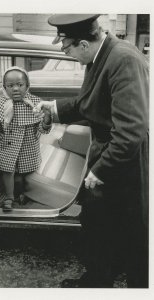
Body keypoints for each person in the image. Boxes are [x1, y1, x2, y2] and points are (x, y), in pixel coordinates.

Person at [34, 14, 149, 288]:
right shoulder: (102, 55)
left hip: (122, 160)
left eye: (69, 49)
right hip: (110, 151)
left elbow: (131, 130)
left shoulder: (123, 60)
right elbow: (91, 103)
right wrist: (54, 108)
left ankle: (127, 284)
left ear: (83, 44)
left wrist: (101, 170)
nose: (70, 55)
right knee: (101, 225)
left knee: (129, 233)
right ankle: (99, 278)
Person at [0, 66, 52, 211]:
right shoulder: (0, 103)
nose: (16, 89)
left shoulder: (36, 104)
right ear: (4, 87)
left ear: (27, 85)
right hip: (6, 147)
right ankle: (9, 197)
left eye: (20, 85)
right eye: (10, 86)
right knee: (7, 172)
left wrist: (47, 119)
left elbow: (42, 129)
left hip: (28, 147)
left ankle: (21, 194)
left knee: (21, 175)